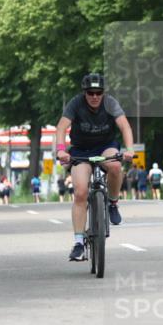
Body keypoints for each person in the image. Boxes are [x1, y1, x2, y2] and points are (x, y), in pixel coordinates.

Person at [54, 72, 135, 261]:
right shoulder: (76, 103)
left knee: (115, 166)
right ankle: (78, 244)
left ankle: (113, 203)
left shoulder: (110, 103)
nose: (95, 97)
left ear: (103, 93)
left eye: (98, 92)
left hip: (105, 146)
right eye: (90, 93)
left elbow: (124, 126)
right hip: (80, 150)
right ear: (85, 93)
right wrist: (60, 151)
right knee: (81, 192)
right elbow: (61, 128)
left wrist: (129, 149)